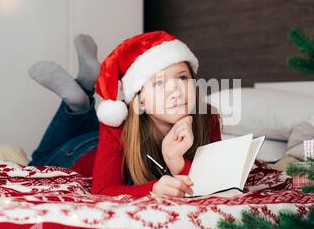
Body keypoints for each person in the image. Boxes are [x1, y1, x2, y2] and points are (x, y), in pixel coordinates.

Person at [28, 31, 221, 199]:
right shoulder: (117, 124)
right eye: (159, 84)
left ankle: (81, 100)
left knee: (85, 128)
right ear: (141, 100)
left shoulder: (208, 118)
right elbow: (104, 190)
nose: (176, 91)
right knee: (36, 163)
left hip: (106, 144)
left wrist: (176, 162)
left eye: (182, 78)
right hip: (79, 153)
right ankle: (81, 100)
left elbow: (212, 185)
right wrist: (152, 189)